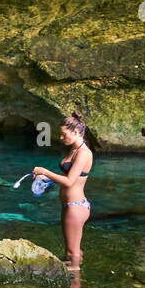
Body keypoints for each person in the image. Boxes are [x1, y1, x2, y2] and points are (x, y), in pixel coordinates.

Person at [33, 111, 93, 271]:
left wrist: (45, 171)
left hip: (76, 207)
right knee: (73, 251)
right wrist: (45, 179)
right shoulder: (74, 149)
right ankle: (76, 282)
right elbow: (68, 176)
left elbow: (69, 181)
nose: (61, 138)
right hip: (70, 206)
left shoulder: (84, 153)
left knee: (71, 253)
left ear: (75, 132)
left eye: (63, 134)